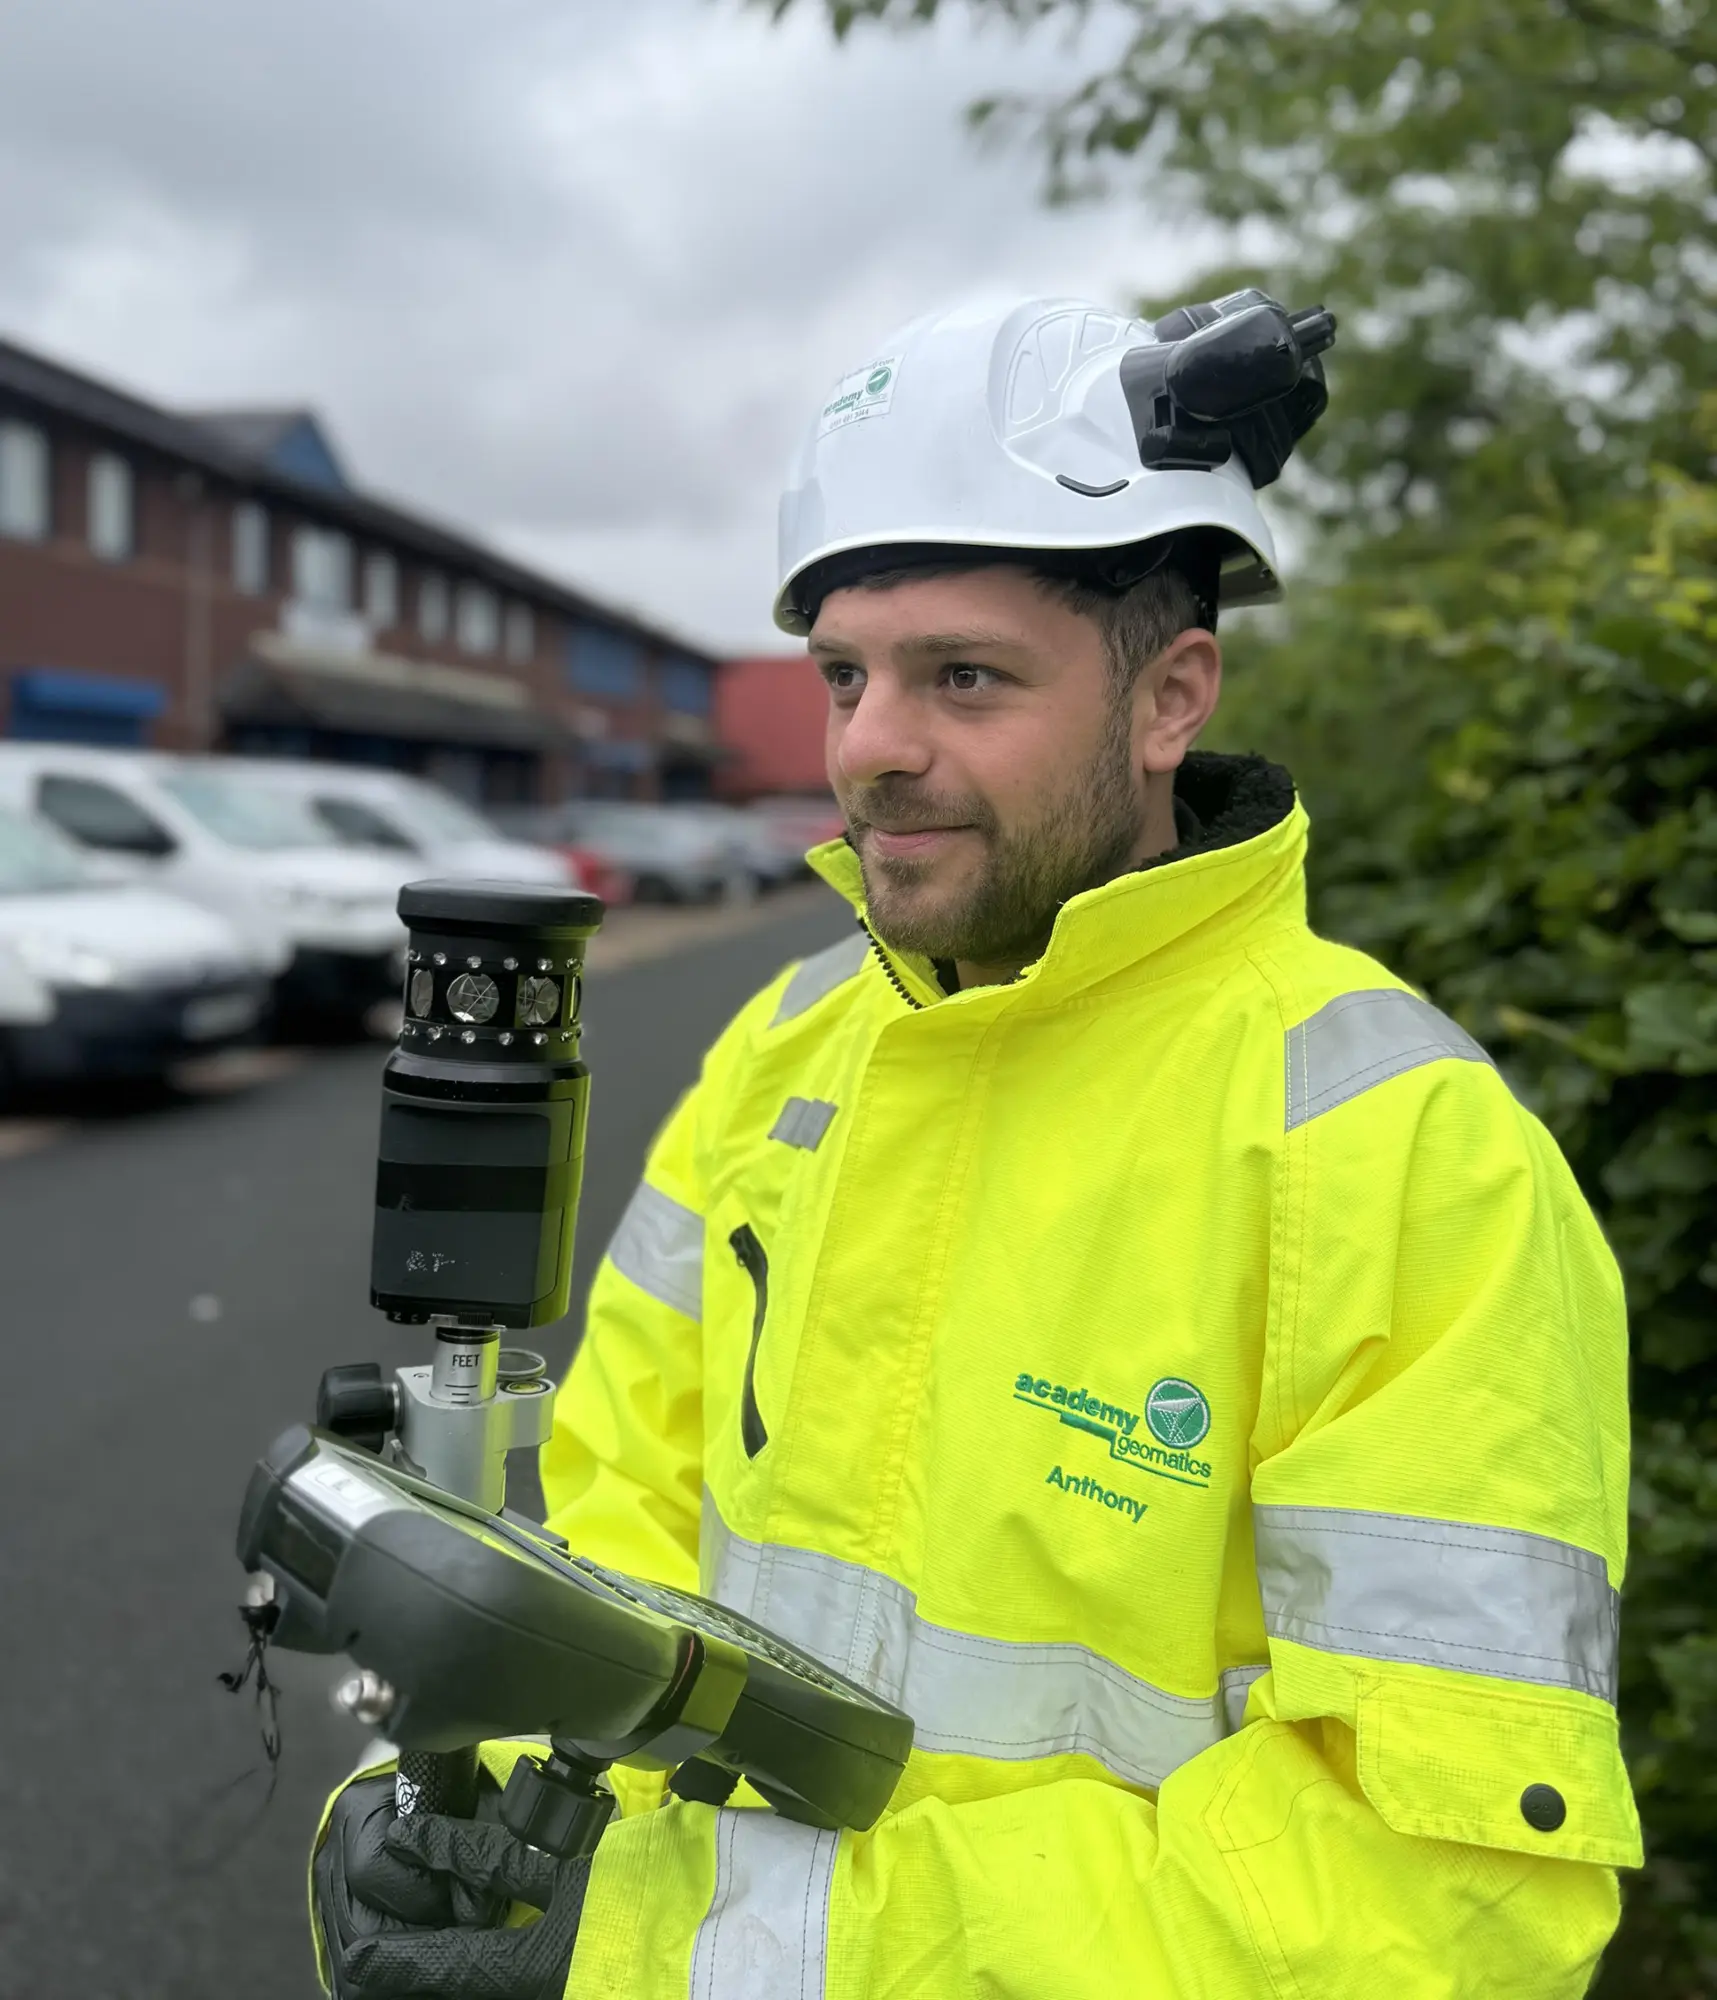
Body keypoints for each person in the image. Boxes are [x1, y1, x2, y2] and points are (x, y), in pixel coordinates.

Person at [312, 293, 1641, 1999]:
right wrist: (462, 1826)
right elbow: (606, 1537)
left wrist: (681, 1955)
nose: (870, 745)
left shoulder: (1409, 1156)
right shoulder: (785, 1047)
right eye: (845, 675)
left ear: (1169, 698)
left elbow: (1445, 1900)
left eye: (963, 675)